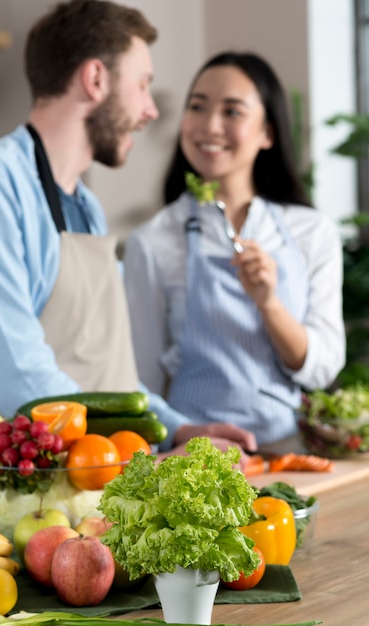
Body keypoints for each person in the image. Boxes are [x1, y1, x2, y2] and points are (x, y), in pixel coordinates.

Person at [0, 2, 256, 461]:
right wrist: (137, 457)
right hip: (12, 488)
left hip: (89, 481)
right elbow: (18, 378)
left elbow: (102, 374)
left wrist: (174, 428)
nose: (151, 110)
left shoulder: (86, 207)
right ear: (95, 79)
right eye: (143, 85)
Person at [123, 51, 346, 451]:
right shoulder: (154, 242)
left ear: (268, 133)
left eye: (232, 111)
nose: (210, 125)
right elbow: (141, 386)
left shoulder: (311, 233)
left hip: (289, 453)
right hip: (196, 464)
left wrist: (269, 304)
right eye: (198, 107)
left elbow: (322, 367)